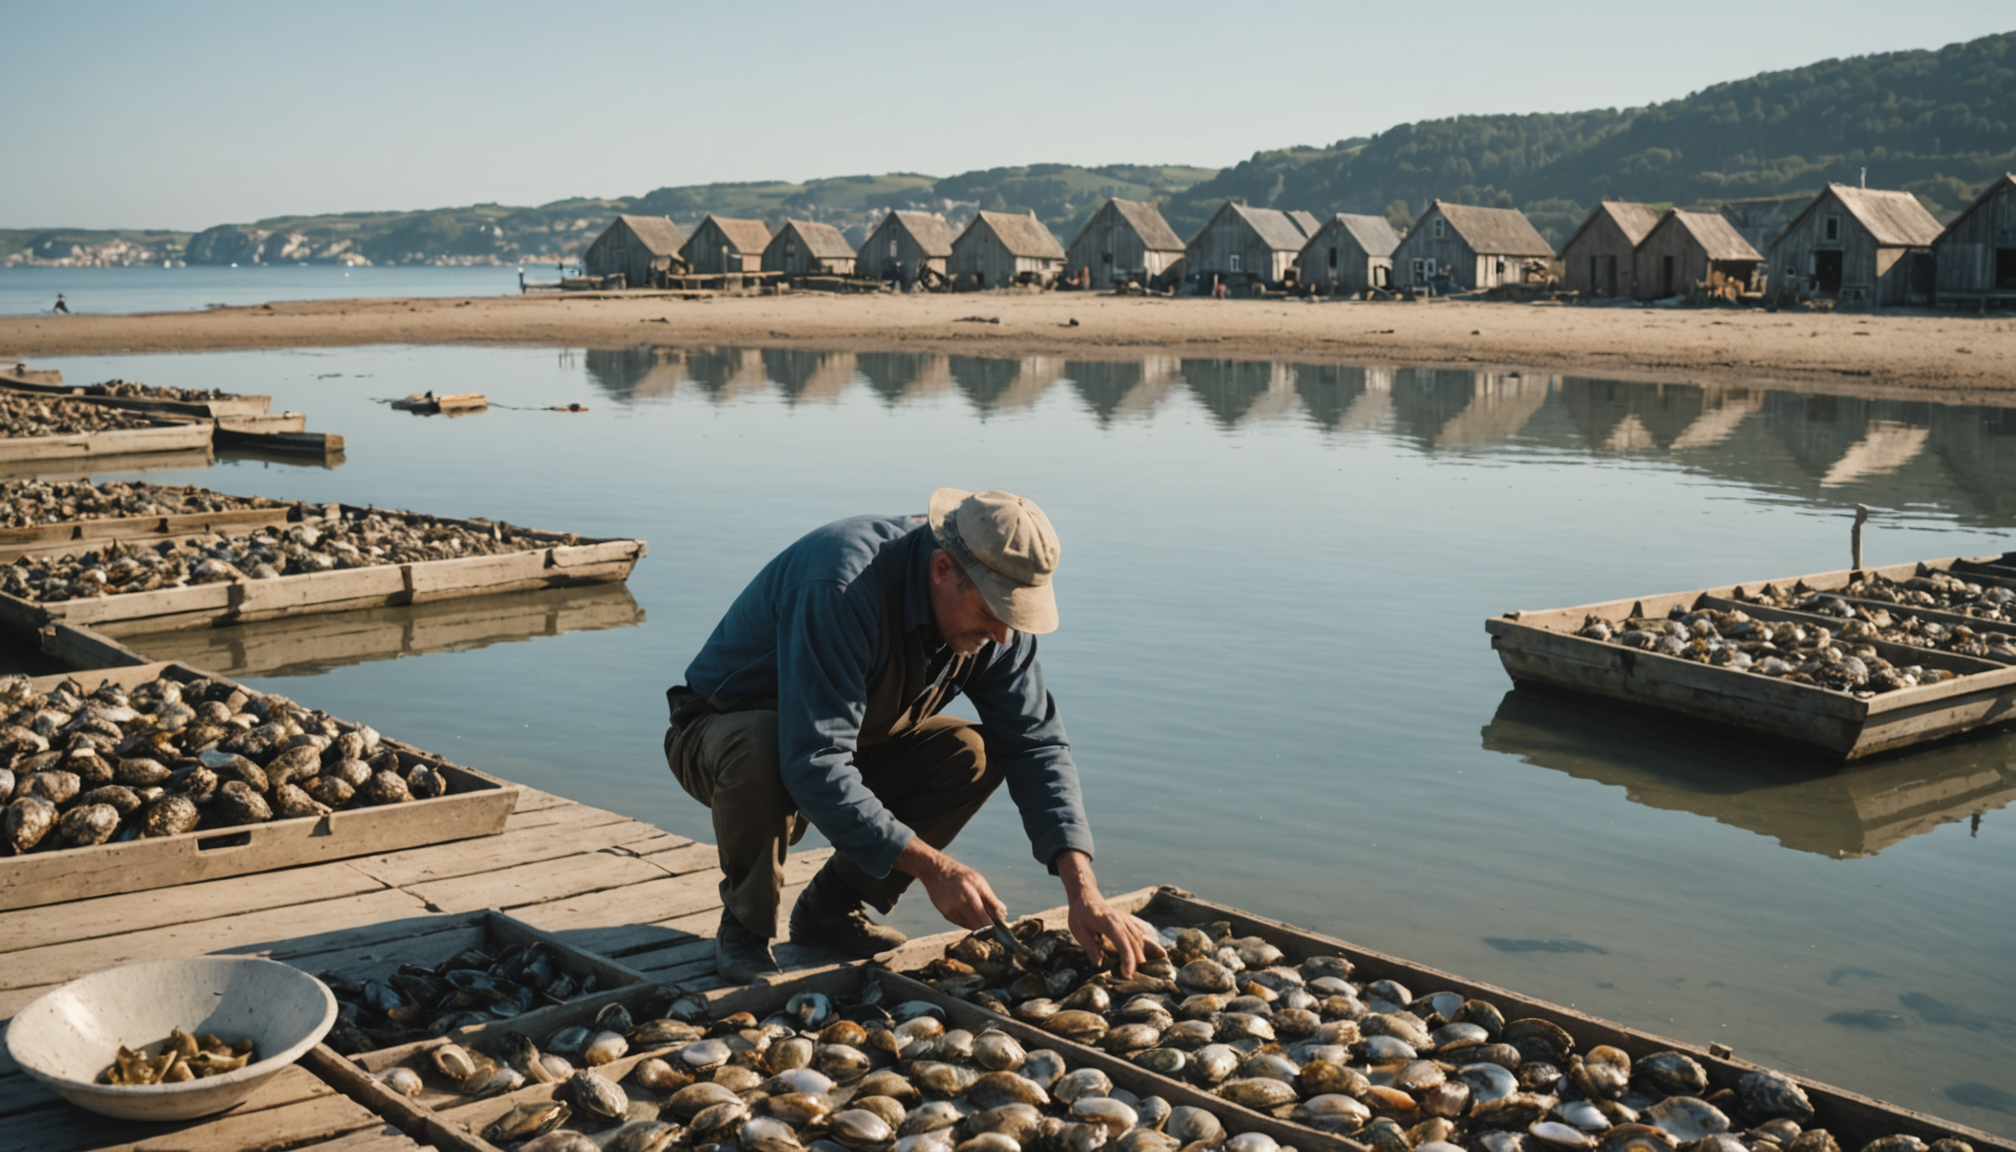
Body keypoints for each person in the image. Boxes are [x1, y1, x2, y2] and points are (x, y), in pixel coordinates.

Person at [665, 488, 1160, 984]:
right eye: (995, 612)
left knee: (977, 753)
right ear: (942, 569)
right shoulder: (840, 583)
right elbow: (814, 759)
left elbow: (1037, 745)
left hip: (857, 736)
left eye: (1015, 616)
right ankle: (744, 929)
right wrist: (935, 869)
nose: (1005, 635)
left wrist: (1083, 890)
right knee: (764, 746)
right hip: (723, 733)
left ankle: (829, 912)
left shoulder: (996, 622)